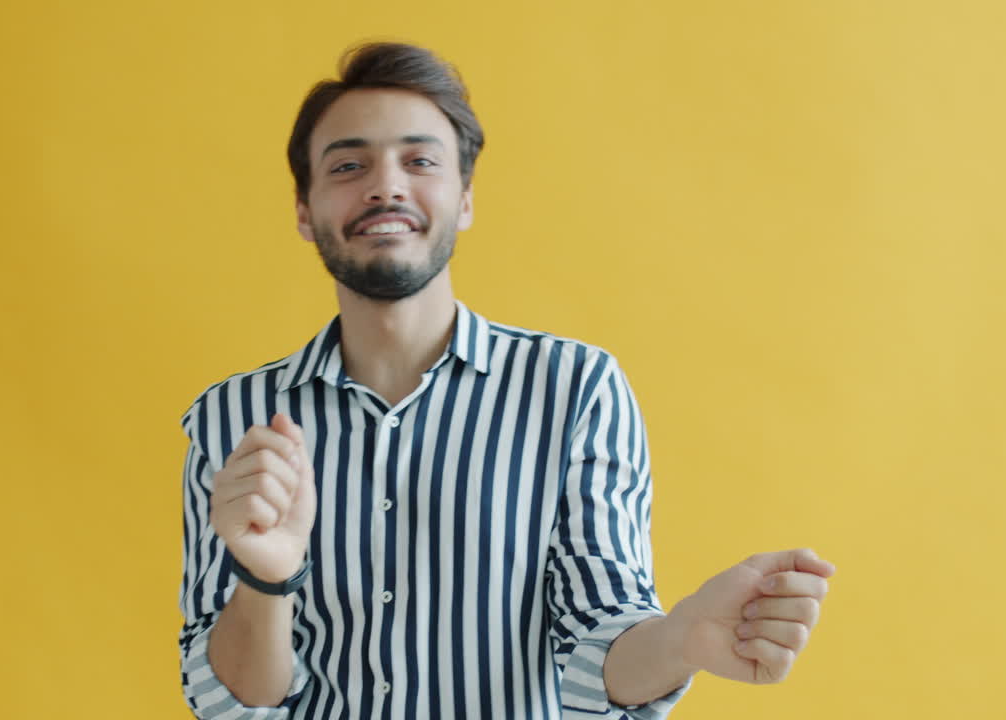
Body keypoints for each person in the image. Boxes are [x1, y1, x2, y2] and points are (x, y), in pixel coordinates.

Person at [176, 42, 836, 719]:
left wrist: (682, 639)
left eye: (420, 161)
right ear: (303, 210)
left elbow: (597, 636)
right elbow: (231, 704)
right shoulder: (233, 418)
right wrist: (266, 577)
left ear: (464, 199)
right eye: (348, 165)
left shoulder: (575, 389)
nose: (385, 186)